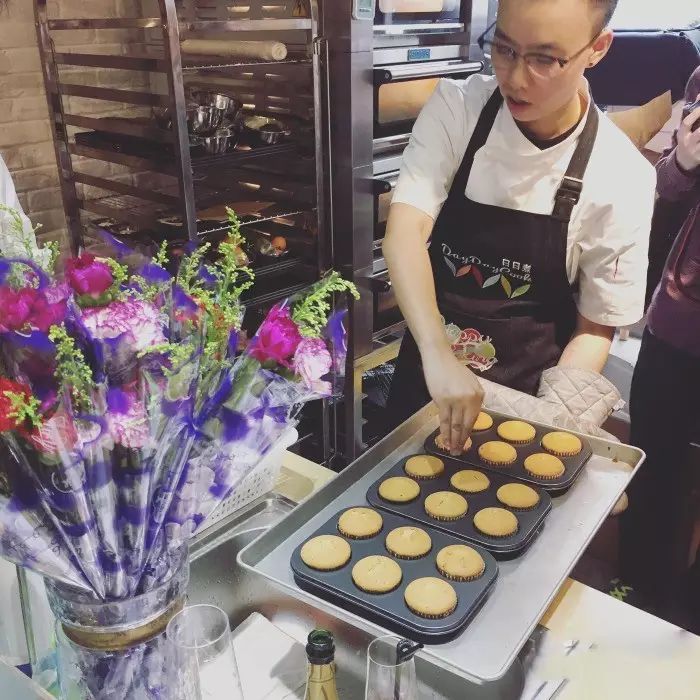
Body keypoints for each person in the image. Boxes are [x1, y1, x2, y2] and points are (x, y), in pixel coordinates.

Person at [383, 0, 656, 454]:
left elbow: (595, 326)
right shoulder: (459, 110)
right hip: (428, 381)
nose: (515, 77)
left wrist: (556, 424)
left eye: (544, 59)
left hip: (528, 405)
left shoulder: (621, 176)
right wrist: (437, 354)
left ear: (597, 49)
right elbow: (405, 235)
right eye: (504, 49)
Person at [616, 66, 700, 633]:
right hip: (675, 323)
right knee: (651, 470)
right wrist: (686, 162)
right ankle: (636, 600)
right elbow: (665, 187)